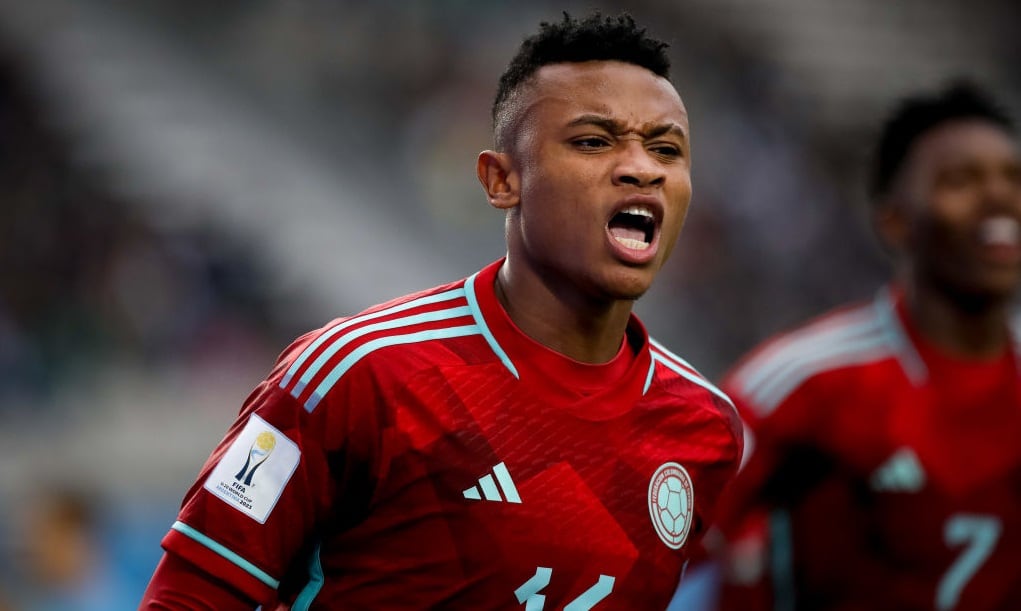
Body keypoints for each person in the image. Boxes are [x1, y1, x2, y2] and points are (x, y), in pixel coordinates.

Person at [140, 12, 743, 610]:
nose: (642, 168)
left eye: (666, 149)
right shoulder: (358, 375)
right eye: (593, 141)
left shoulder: (703, 427)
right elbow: (188, 598)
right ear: (501, 180)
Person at [713, 82, 1021, 610]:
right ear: (895, 222)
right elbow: (661, 543)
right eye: (960, 180)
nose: (998, 198)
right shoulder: (802, 381)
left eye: (1013, 178)